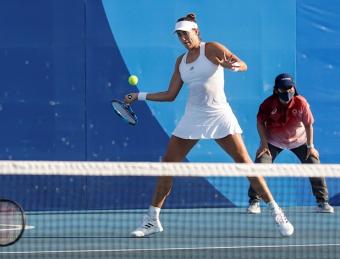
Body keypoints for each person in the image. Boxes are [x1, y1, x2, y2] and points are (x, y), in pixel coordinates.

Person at [124, 13, 294, 238]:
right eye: (179, 36)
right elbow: (170, 94)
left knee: (245, 163)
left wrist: (233, 66)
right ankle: (152, 219)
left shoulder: (211, 48)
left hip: (219, 115)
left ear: (196, 32)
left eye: (186, 34)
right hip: (192, 117)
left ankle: (276, 211)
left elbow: (241, 63)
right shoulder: (181, 62)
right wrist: (140, 96)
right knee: (167, 165)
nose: (183, 39)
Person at [247, 73, 334, 214]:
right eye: (283, 89)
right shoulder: (268, 104)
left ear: (293, 88)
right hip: (273, 141)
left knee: (314, 165)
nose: (287, 91)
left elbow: (308, 125)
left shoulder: (301, 103)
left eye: (290, 88)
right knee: (260, 166)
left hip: (299, 141)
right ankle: (254, 202)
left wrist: (310, 146)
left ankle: (322, 202)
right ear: (276, 90)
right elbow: (260, 123)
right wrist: (263, 144)